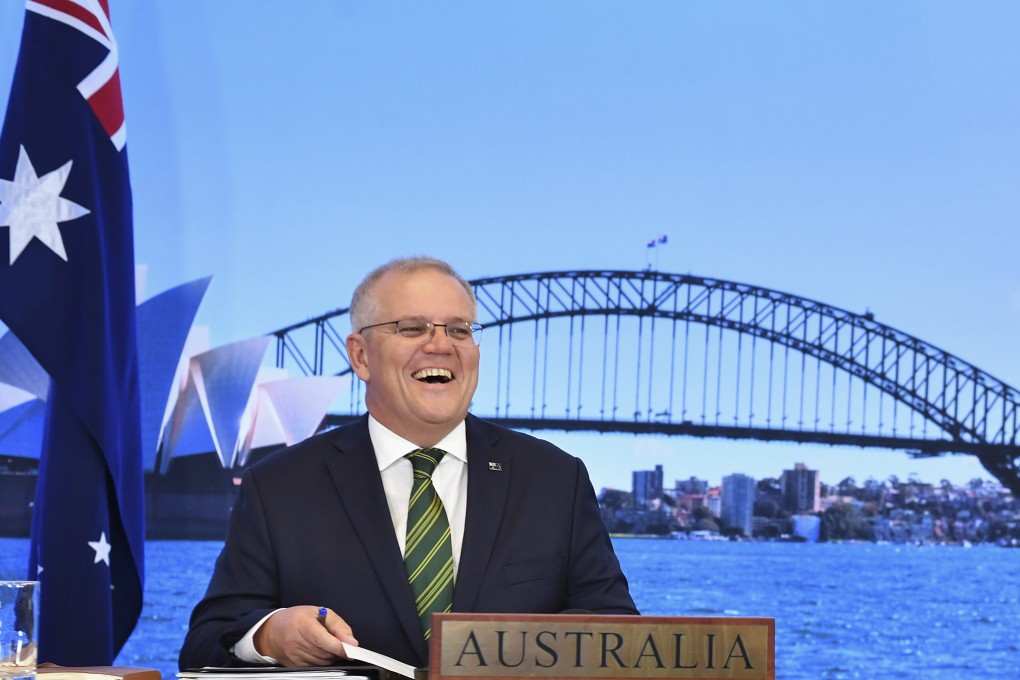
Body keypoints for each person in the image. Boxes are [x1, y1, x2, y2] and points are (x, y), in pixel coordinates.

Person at [178, 256, 637, 671]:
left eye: (459, 330)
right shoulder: (279, 486)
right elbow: (205, 644)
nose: (441, 346)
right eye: (413, 329)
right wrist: (271, 636)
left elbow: (619, 631)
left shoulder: (554, 477)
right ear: (360, 356)